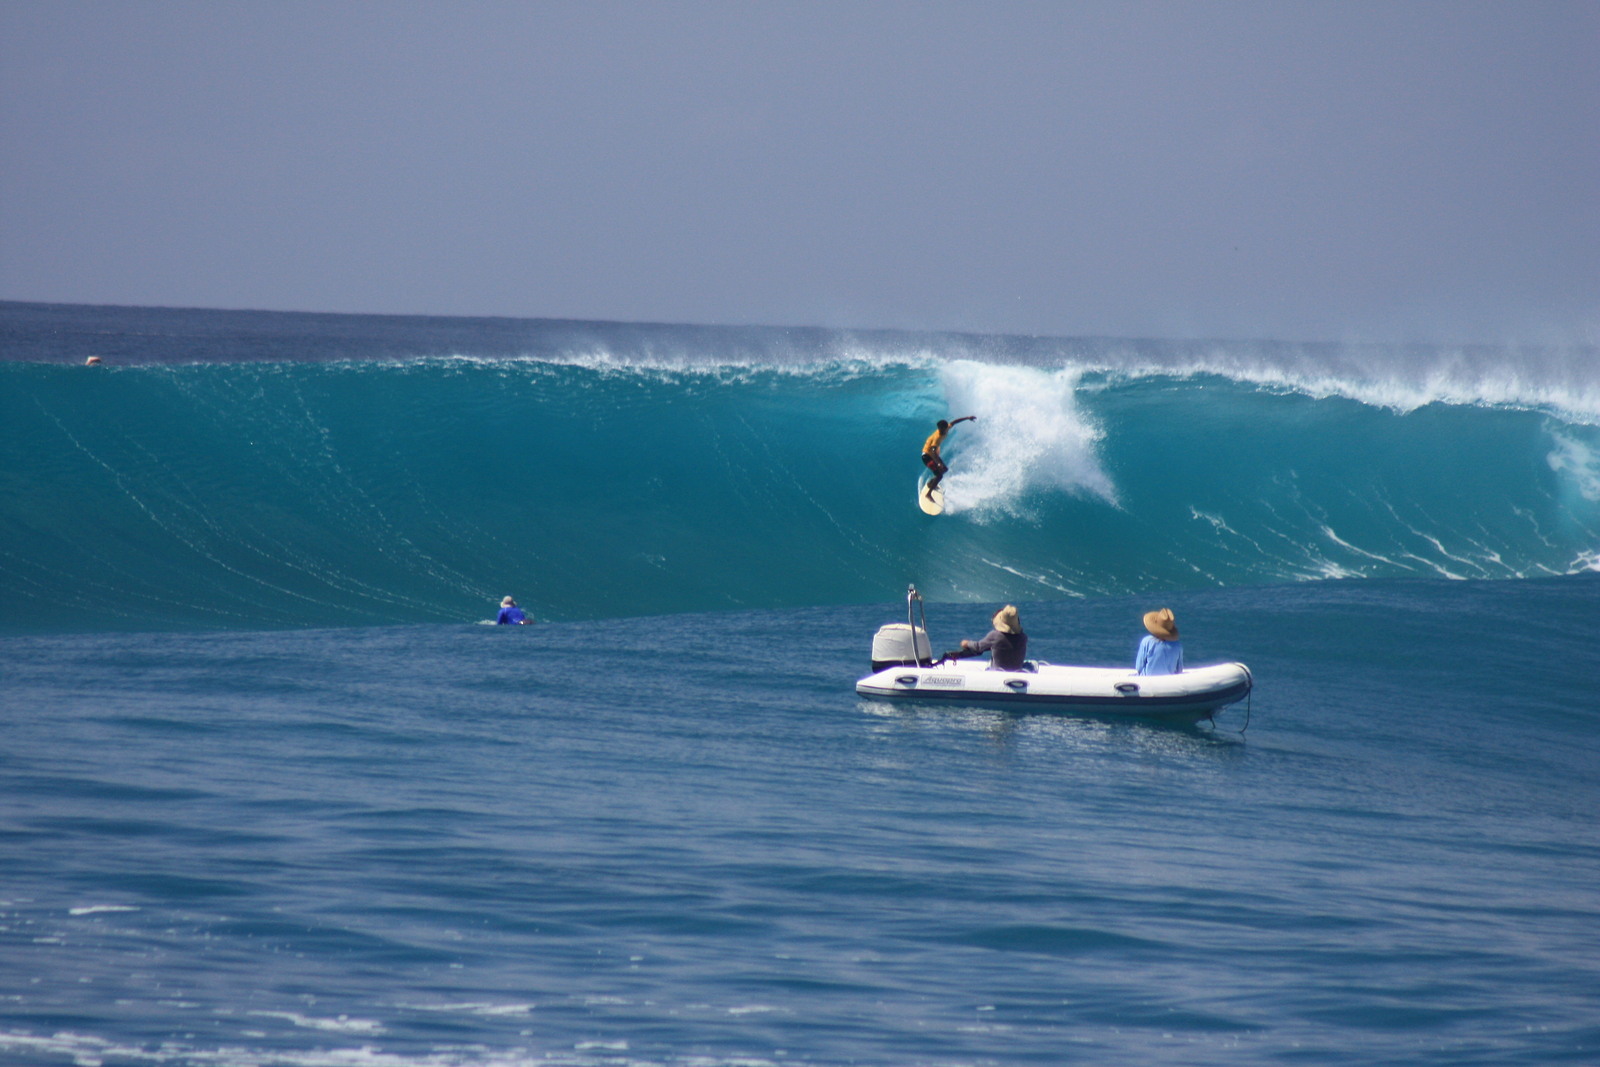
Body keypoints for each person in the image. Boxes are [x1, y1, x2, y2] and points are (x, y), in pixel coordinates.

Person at [940, 604, 1028, 671]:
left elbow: (978, 647)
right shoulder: (1023, 637)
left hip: (999, 672)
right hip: (1017, 671)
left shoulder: (995, 636)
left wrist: (967, 643)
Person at [921, 415, 976, 498]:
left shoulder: (946, 428)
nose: (944, 430)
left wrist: (968, 418)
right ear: (940, 428)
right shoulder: (937, 437)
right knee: (939, 475)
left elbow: (955, 421)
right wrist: (938, 463)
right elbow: (932, 451)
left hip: (933, 454)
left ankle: (930, 483)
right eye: (942, 429)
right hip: (927, 456)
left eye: (945, 428)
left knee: (944, 470)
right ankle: (928, 494)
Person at [1135, 607, 1183, 675]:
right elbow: (1179, 670)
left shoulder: (1147, 642)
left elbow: (1139, 667)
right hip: (1168, 680)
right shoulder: (1178, 645)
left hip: (1147, 679)